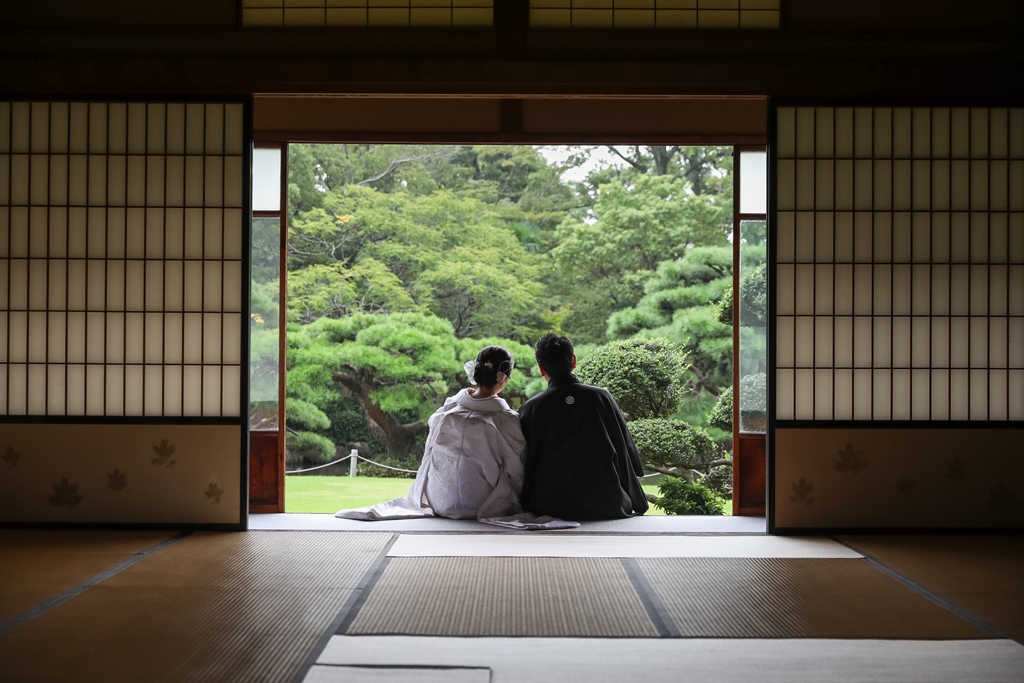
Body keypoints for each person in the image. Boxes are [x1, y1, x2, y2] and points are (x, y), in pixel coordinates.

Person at [336, 345, 525, 521]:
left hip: (439, 500)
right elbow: (517, 470)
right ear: (503, 378)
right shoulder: (504, 420)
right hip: (482, 504)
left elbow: (430, 454)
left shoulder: (448, 409)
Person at [518, 333, 649, 520]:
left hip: (549, 505)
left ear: (541, 368)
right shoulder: (601, 397)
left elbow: (522, 462)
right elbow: (624, 447)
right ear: (574, 361)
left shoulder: (531, 408)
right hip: (607, 502)